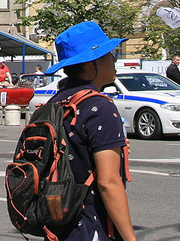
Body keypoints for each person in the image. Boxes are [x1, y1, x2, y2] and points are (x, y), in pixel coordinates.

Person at [44, 21, 136, 241]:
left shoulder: (55, 103)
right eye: (107, 54)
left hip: (59, 223)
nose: (114, 59)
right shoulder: (99, 107)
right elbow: (108, 183)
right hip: (91, 225)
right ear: (89, 65)